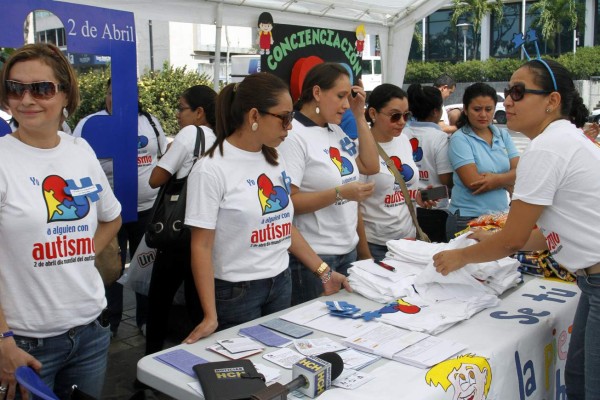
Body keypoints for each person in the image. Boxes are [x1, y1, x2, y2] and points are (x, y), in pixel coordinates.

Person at [432, 58, 600, 400]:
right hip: (591, 280)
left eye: (518, 92)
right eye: (507, 91)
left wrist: (459, 257)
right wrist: (489, 238)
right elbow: (542, 236)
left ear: (552, 101)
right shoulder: (563, 139)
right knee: (579, 379)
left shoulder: (548, 147)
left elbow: (513, 239)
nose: (506, 101)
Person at [182, 73, 351, 340]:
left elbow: (283, 226)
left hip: (281, 282)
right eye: (284, 118)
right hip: (236, 292)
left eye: (292, 118)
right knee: (246, 373)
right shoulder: (211, 169)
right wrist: (210, 315)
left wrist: (324, 272)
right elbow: (200, 246)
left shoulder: (273, 158)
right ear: (253, 117)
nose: (290, 127)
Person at [0, 43, 121, 399]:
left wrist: (78, 253)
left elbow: (111, 219)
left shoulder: (79, 151)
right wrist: (3, 339)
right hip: (24, 341)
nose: (26, 99)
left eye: (41, 88)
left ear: (66, 94)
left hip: (90, 331)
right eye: (14, 88)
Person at [277, 62, 379, 306]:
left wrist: (359, 115)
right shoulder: (294, 136)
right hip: (316, 257)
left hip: (348, 249)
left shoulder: (334, 130)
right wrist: (339, 193)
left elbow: (370, 165)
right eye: (340, 96)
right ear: (317, 93)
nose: (346, 103)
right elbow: (288, 204)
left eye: (348, 96)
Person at [74, 79, 168, 337]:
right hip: (107, 214)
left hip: (147, 209)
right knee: (110, 268)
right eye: (111, 93)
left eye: (125, 92)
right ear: (105, 96)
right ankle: (110, 322)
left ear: (136, 96)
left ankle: (145, 320)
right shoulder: (90, 124)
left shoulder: (150, 122)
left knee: (144, 267)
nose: (116, 98)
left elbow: (162, 156)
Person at [145, 84, 217, 354]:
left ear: (199, 113)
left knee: (159, 301)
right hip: (208, 233)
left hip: (178, 233)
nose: (177, 114)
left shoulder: (190, 134)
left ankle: (149, 363)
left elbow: (155, 179)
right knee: (197, 303)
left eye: (181, 108)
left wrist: (171, 152)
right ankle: (193, 356)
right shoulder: (223, 137)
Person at [446, 82, 520, 238]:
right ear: (465, 110)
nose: (483, 115)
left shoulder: (502, 135)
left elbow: (521, 172)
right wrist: (507, 180)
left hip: (501, 217)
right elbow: (474, 183)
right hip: (467, 218)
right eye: (477, 109)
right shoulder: (460, 139)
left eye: (488, 109)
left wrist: (495, 179)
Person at [356, 84, 420, 261]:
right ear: (373, 114)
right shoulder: (356, 147)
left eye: (406, 115)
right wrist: (364, 253)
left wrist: (420, 196)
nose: (402, 121)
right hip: (376, 244)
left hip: (409, 239)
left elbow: (403, 187)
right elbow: (354, 207)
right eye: (395, 116)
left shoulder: (404, 140)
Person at [406, 84, 453, 243]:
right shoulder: (439, 137)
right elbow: (446, 181)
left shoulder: (402, 133)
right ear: (436, 111)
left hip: (406, 205)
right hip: (434, 207)